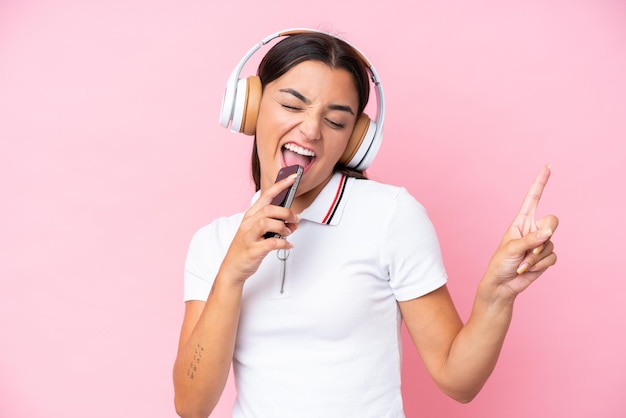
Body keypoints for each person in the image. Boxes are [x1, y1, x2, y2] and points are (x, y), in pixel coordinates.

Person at [173, 28, 558, 418]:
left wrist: (497, 296)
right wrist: (231, 274)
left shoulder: (391, 216)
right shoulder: (213, 242)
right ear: (250, 109)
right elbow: (191, 406)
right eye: (292, 106)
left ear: (356, 141)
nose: (310, 131)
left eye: (336, 121)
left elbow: (457, 382)